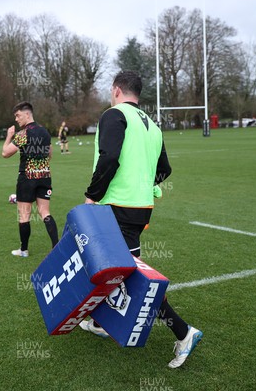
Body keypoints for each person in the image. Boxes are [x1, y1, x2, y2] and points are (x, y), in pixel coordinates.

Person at [78, 71, 203, 369]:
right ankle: (100, 322)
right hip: (139, 207)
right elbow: (165, 169)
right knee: (109, 264)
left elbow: (109, 158)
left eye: (111, 91)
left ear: (117, 90)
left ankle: (184, 332)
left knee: (134, 276)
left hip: (117, 206)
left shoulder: (114, 115)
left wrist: (92, 196)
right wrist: (146, 184)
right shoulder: (153, 125)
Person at [2, 101, 59, 258]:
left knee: (24, 215)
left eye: (18, 115)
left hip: (27, 178)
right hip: (45, 176)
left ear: (27, 114)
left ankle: (24, 250)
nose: (17, 119)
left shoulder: (22, 134)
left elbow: (5, 153)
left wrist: (8, 136)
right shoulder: (45, 132)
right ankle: (56, 247)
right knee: (45, 212)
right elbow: (50, 154)